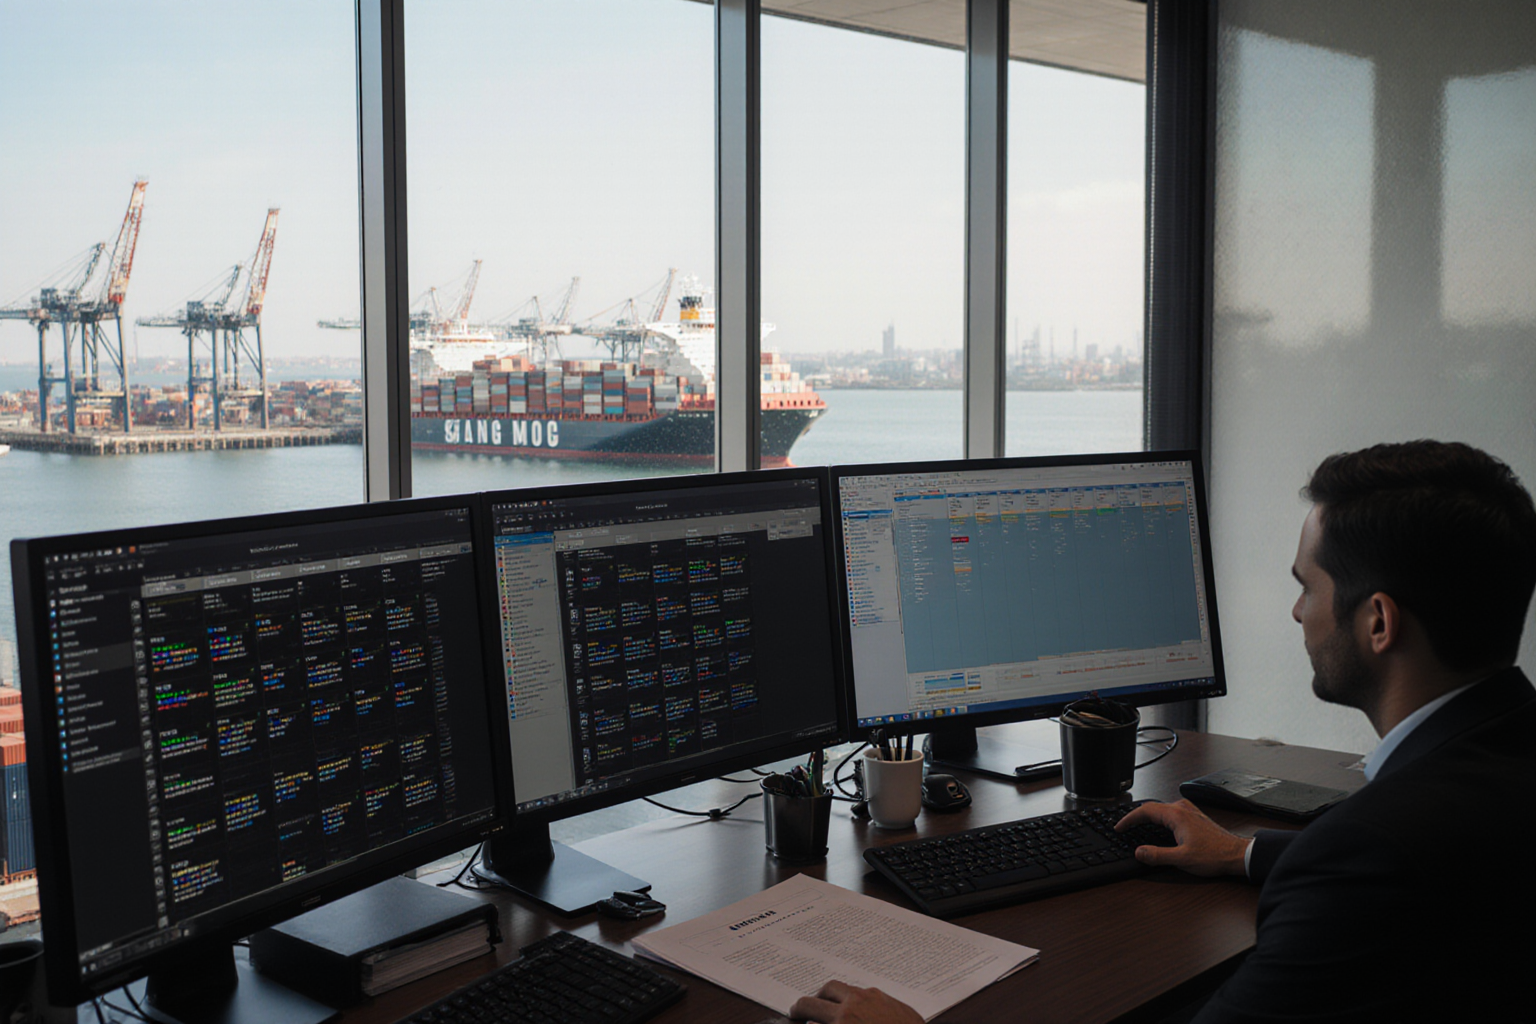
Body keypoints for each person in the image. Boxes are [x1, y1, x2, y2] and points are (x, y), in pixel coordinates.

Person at [791, 441, 1536, 1024]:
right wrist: (1245, 852)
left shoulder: (1370, 852)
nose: (1297, 613)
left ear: (1378, 622)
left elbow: (1376, 870)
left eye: (1306, 586)